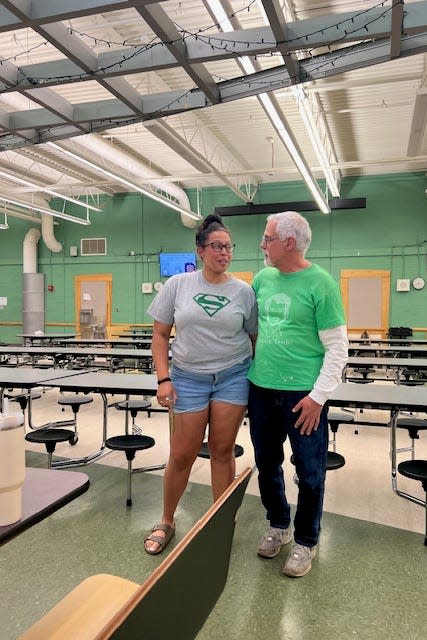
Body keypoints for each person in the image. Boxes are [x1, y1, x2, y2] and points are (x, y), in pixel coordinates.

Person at [144, 214, 257, 555]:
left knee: (222, 451)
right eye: (217, 246)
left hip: (232, 377)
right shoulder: (178, 285)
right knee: (182, 455)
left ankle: (219, 522)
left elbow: (254, 339)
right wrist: (163, 379)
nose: (224, 253)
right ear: (200, 250)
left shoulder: (244, 292)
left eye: (228, 247)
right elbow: (160, 335)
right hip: (187, 378)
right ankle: (166, 519)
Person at [248, 211, 348, 578]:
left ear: (288, 242)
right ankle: (278, 524)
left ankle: (306, 540)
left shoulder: (321, 284)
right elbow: (252, 329)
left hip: (304, 397)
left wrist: (318, 397)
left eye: (267, 237)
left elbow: (338, 348)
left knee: (309, 472)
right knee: (267, 463)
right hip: (261, 390)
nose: (262, 244)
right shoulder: (262, 279)